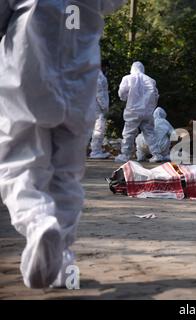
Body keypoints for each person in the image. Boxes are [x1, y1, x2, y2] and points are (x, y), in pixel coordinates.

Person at [0, 0, 126, 289]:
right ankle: (63, 259)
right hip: (79, 78)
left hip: (28, 71)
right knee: (66, 174)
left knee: (19, 163)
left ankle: (39, 223)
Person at [115, 62, 159, 163]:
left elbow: (122, 93)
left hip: (133, 110)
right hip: (147, 112)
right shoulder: (150, 80)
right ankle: (157, 154)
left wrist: (126, 98)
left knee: (128, 133)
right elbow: (156, 96)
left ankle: (125, 155)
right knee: (150, 133)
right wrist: (150, 107)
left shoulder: (127, 78)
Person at [89, 70, 111, 159]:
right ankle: (95, 151)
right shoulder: (98, 75)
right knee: (99, 128)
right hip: (97, 107)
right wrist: (105, 107)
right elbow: (100, 93)